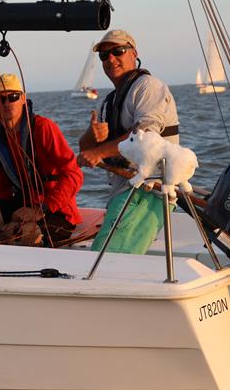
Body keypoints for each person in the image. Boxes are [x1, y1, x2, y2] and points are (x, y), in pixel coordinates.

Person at [77, 29, 180, 254]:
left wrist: (100, 152)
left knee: (106, 260)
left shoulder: (148, 87)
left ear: (134, 53)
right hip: (124, 192)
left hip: (147, 191)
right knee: (105, 259)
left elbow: (144, 137)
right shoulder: (109, 101)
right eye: (104, 55)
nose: (110, 59)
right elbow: (87, 151)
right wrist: (91, 135)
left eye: (118, 51)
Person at [0, 73, 83, 247]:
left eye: (12, 97)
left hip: (55, 210)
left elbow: (74, 174)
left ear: (23, 98)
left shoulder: (43, 128)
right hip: (21, 207)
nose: (6, 103)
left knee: (23, 234)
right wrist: (7, 220)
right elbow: (2, 190)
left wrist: (40, 209)